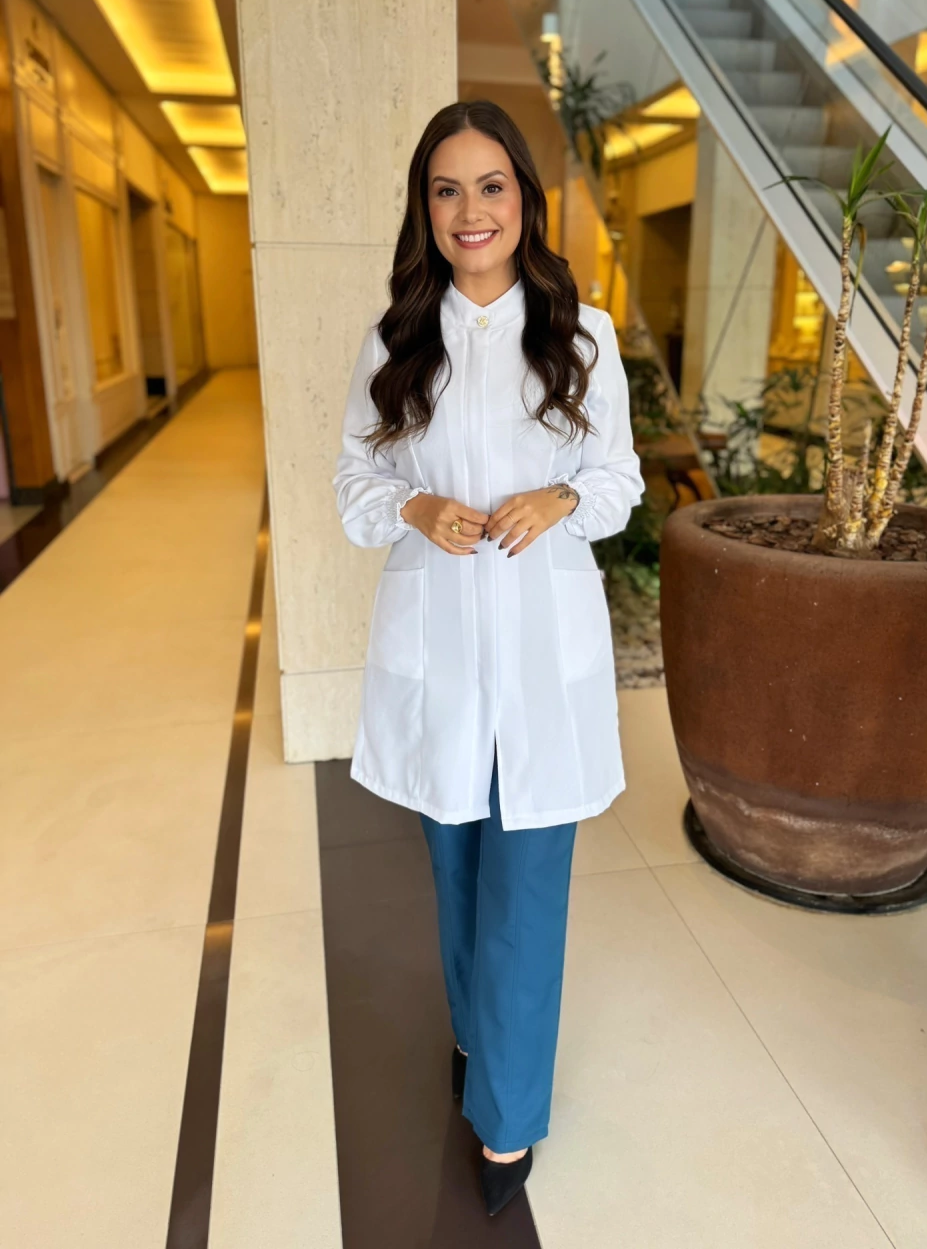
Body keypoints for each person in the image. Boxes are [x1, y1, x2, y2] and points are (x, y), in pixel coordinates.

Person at [332, 99, 644, 1216]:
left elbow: (618, 483)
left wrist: (558, 497)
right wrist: (414, 507)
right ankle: (473, 1039)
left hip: (543, 657)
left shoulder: (581, 334)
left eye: (491, 185)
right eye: (447, 189)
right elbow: (354, 486)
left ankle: (506, 1123)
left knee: (526, 896)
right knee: (456, 874)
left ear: (524, 199)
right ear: (426, 209)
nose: (472, 210)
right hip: (442, 657)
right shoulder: (395, 341)